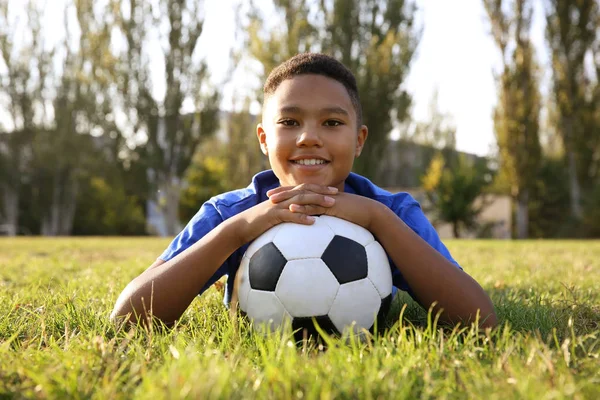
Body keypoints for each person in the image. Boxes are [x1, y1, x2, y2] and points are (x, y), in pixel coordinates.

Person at [111, 53, 497, 329]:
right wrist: (239, 230)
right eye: (290, 121)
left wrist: (377, 221)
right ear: (264, 139)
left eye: (331, 122)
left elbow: (480, 320)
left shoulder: (391, 210)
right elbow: (126, 318)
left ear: (359, 140)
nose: (309, 138)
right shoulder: (228, 213)